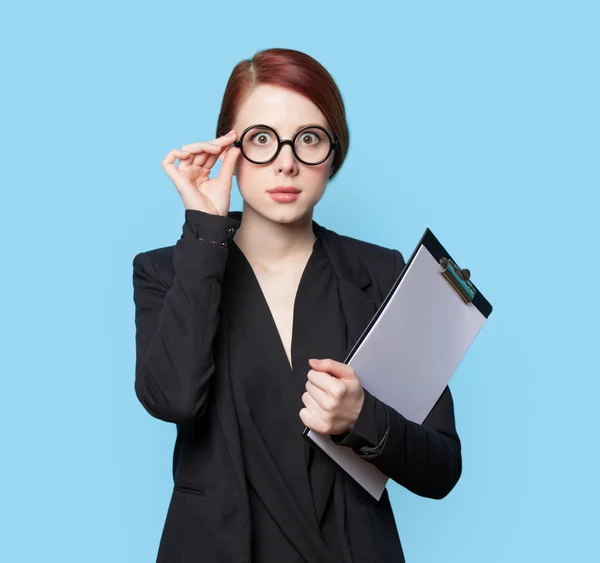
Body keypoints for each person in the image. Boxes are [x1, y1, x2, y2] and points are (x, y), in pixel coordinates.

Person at [132, 47, 462, 563]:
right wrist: (203, 233)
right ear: (229, 150)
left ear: (333, 153)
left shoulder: (380, 273)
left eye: (309, 139)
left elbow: (442, 467)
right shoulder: (168, 270)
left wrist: (362, 417)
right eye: (261, 139)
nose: (286, 161)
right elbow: (172, 399)